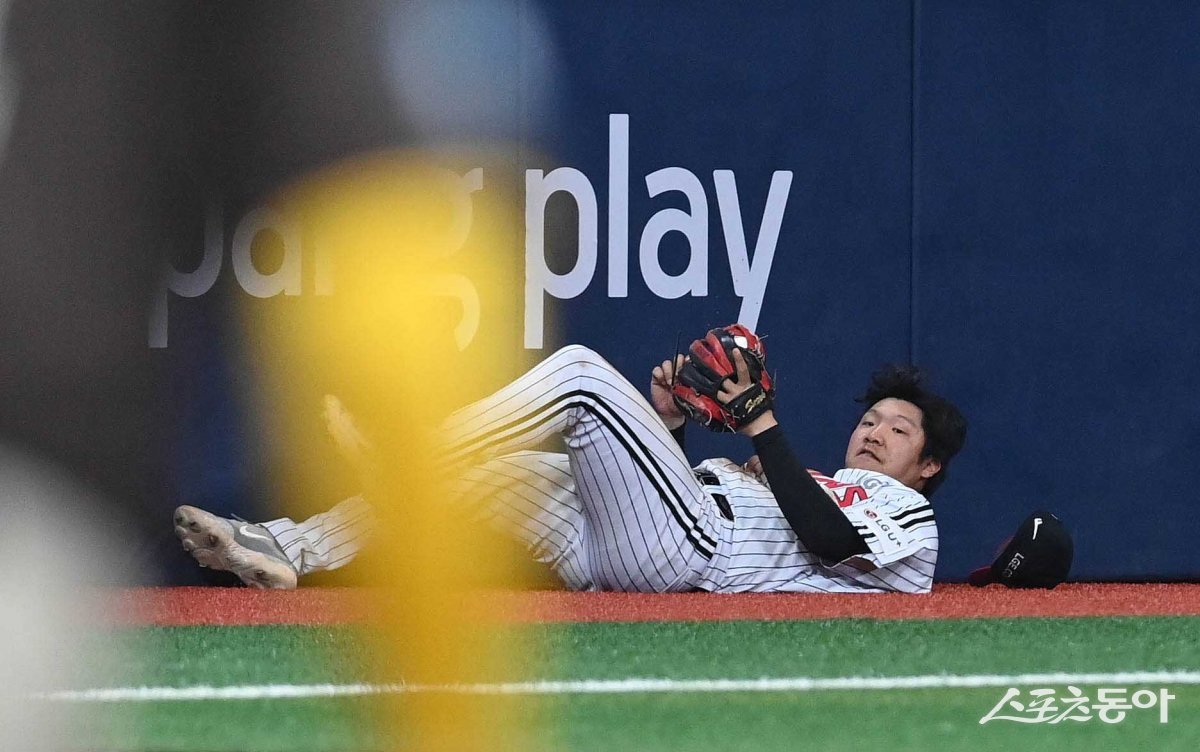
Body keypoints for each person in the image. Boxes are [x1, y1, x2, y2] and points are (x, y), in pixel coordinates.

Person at [174, 341, 966, 593]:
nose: (875, 433)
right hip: (640, 543)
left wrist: (761, 424)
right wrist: (666, 423)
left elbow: (829, 540)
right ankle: (287, 548)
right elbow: (667, 499)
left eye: (897, 430)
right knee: (487, 472)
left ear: (927, 465)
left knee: (582, 375)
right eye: (869, 419)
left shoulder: (908, 515)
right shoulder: (810, 478)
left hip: (695, 558)